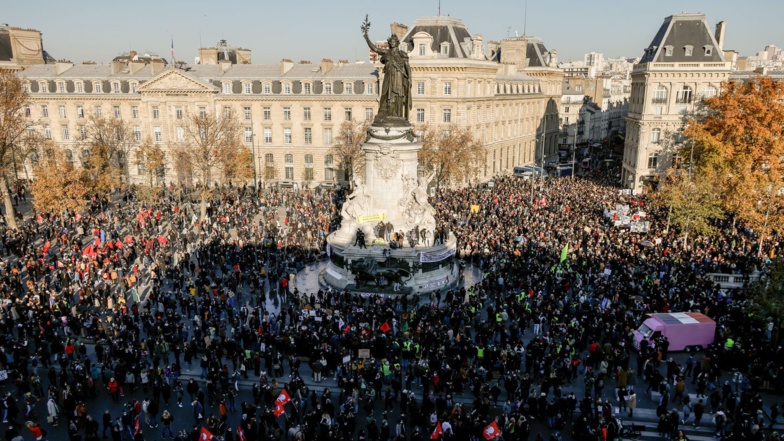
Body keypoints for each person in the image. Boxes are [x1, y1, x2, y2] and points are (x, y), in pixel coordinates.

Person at [362, 16, 411, 121]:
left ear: (397, 43)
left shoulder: (402, 54)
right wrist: (367, 39)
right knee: (385, 95)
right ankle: (384, 112)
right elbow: (375, 48)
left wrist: (409, 79)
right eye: (391, 41)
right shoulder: (387, 52)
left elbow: (407, 68)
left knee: (398, 96)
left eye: (394, 41)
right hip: (388, 78)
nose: (392, 42)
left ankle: (397, 115)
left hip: (398, 78)